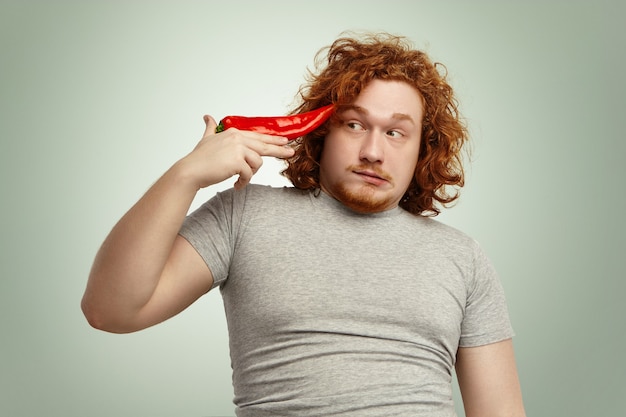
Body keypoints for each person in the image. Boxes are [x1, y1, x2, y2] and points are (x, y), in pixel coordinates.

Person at [82, 32, 526, 417]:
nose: (373, 150)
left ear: (421, 149)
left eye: (395, 132)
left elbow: (500, 411)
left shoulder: (463, 257)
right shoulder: (243, 214)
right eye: (354, 124)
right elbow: (110, 310)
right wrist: (185, 175)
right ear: (322, 132)